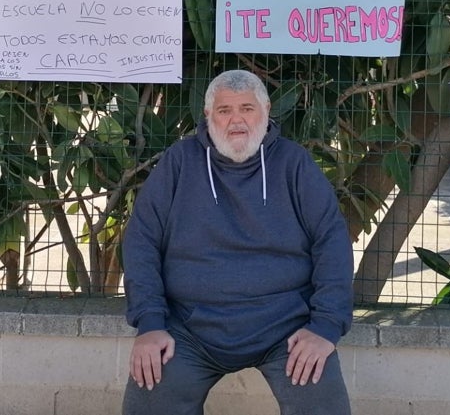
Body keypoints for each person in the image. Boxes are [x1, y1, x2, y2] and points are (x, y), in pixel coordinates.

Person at [121, 69, 354, 415]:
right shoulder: (179, 162)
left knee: (321, 403)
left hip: (284, 326)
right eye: (224, 110)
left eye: (247, 108)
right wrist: (150, 323)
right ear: (207, 115)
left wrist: (324, 326)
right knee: (151, 393)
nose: (236, 121)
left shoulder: (294, 164)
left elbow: (332, 241)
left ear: (266, 110)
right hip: (188, 327)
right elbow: (141, 240)